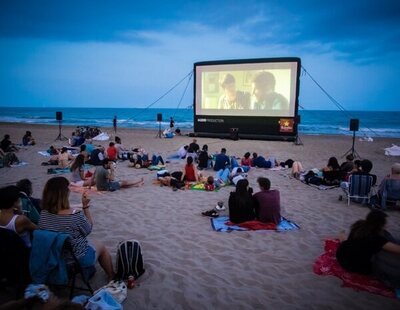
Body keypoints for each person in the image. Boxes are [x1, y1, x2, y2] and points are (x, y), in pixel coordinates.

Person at [38, 177, 114, 281]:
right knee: (101, 247)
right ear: (65, 194)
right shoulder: (74, 216)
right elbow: (88, 229)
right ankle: (111, 276)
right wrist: (85, 207)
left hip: (55, 257)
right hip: (76, 259)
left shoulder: (43, 214)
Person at [336, 210, 400, 289]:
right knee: (383, 258)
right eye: (385, 223)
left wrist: (341, 234)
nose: (387, 224)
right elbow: (397, 250)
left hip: (341, 255)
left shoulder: (359, 225)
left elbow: (349, 240)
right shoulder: (376, 238)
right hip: (355, 266)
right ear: (380, 224)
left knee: (381, 239)